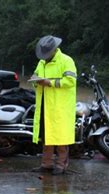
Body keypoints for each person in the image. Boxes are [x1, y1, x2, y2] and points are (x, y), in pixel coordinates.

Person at [31, 35, 77, 175]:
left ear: (54, 50)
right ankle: (46, 164)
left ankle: (61, 165)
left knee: (61, 137)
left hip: (61, 106)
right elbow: (35, 76)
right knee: (46, 136)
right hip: (45, 104)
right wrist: (35, 81)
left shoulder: (66, 61)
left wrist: (49, 82)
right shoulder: (42, 62)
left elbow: (70, 81)